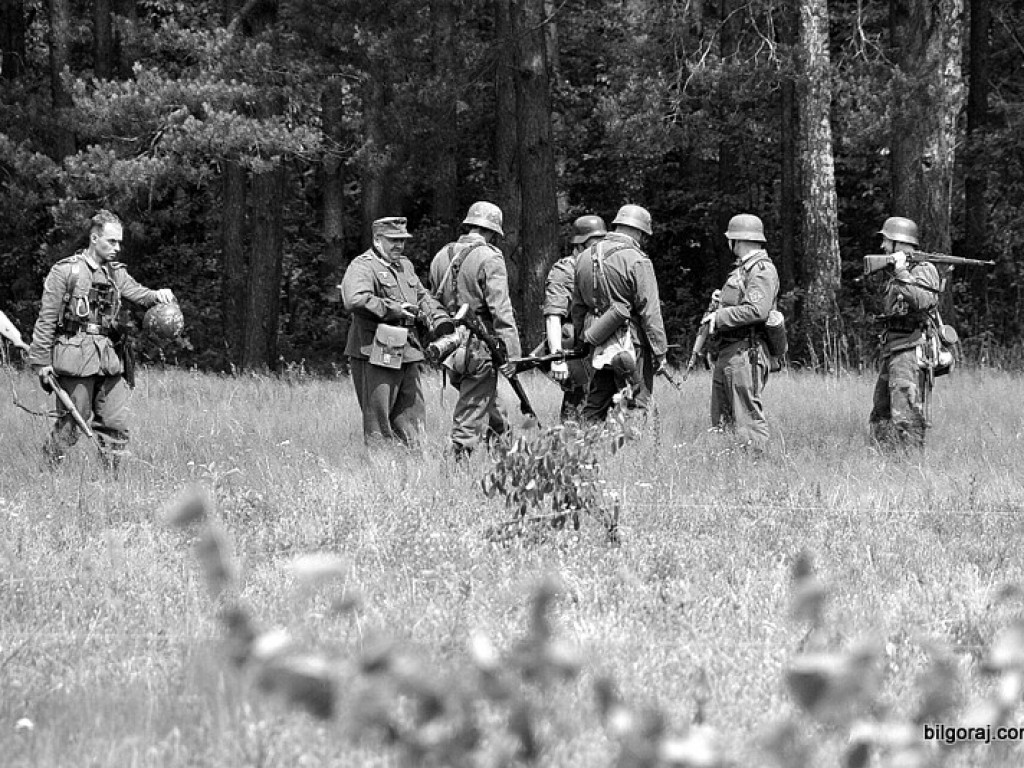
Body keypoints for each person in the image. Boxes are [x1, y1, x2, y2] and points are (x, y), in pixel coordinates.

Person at [27, 209, 176, 467]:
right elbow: (46, 319)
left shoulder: (116, 274)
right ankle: (46, 470)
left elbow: (140, 294)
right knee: (74, 421)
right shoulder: (66, 271)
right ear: (94, 239)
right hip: (74, 358)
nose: (117, 247)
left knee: (115, 424)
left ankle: (111, 483)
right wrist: (41, 362)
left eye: (120, 242)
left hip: (109, 359)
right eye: (111, 241)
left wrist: (158, 295)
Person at [340, 216, 452, 448]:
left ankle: (415, 472)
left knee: (413, 420)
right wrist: (394, 309)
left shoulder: (405, 266)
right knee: (379, 424)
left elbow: (422, 296)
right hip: (376, 349)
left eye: (402, 240)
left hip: (408, 350)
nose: (399, 245)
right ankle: (382, 476)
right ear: (377, 239)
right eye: (393, 240)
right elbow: (354, 299)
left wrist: (438, 317)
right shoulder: (363, 265)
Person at [429, 201, 521, 458]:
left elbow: (432, 302)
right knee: (471, 415)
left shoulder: (441, 256)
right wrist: (513, 356)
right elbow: (501, 311)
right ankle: (453, 472)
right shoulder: (490, 257)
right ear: (492, 231)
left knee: (491, 407)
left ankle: (507, 460)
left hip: (448, 345)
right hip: (477, 347)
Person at [570, 204, 668, 422]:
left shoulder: (584, 258)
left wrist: (584, 341)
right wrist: (660, 351)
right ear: (638, 231)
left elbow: (577, 309)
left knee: (597, 403)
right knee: (635, 401)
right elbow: (650, 311)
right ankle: (631, 454)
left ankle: (585, 448)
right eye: (643, 234)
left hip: (597, 338)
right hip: (630, 342)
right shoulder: (637, 259)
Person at [705, 213, 781, 453]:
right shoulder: (743, 271)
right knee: (723, 419)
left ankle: (756, 467)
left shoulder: (761, 270)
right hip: (731, 351)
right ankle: (729, 465)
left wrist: (720, 317)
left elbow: (757, 310)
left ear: (737, 241)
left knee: (747, 418)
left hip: (747, 352)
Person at [868, 216, 941, 451]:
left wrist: (901, 271)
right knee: (881, 411)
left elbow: (923, 300)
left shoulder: (924, 269)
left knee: (906, 412)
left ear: (898, 242)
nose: (882, 246)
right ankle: (883, 461)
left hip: (910, 347)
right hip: (892, 347)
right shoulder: (893, 271)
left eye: (886, 240)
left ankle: (911, 465)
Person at [542, 214, 605, 421]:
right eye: (594, 243)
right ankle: (565, 449)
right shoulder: (565, 271)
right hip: (574, 349)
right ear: (579, 244)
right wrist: (557, 358)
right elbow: (553, 317)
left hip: (597, 347)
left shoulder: (601, 268)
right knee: (577, 404)